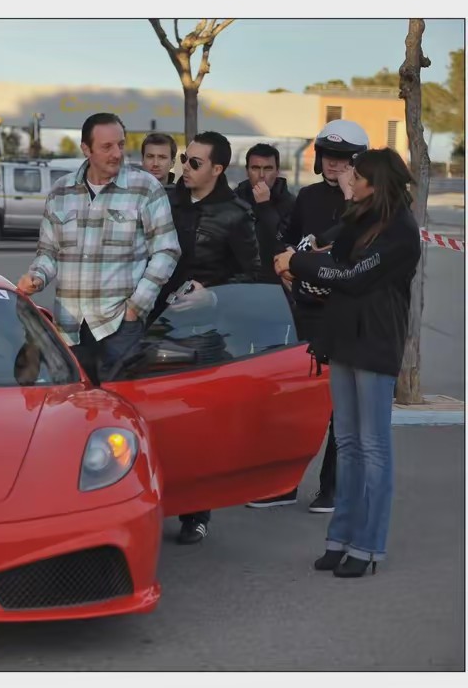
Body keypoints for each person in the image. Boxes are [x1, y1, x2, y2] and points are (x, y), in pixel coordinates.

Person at [274, 148, 421, 577]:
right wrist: (300, 257)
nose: (348, 179)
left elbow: (352, 277)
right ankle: (340, 539)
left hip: (375, 344)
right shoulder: (358, 218)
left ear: (376, 183)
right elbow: (331, 255)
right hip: (342, 339)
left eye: (356, 176)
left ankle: (368, 545)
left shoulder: (401, 231)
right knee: (349, 444)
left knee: (373, 447)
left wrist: (297, 263)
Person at [246, 119, 370, 513]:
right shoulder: (309, 197)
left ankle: (332, 487)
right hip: (305, 312)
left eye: (343, 157)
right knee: (296, 403)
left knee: (340, 408)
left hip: (347, 315)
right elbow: (285, 238)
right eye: (328, 155)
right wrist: (284, 261)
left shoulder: (369, 204)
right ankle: (283, 484)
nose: (334, 163)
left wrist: (349, 200)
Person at [153, 131, 261, 545]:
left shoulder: (235, 214)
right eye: (185, 158)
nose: (185, 167)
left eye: (194, 162)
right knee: (153, 421)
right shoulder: (166, 201)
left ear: (217, 169)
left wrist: (212, 296)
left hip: (204, 335)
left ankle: (196, 513)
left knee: (195, 426)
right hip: (156, 326)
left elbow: (253, 276)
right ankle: (153, 501)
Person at [16, 112, 180, 384]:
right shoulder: (61, 191)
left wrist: (136, 307)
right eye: (107, 147)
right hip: (70, 328)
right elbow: (48, 253)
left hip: (120, 327)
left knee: (119, 403)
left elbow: (167, 250)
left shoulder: (145, 188)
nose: (117, 153)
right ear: (86, 149)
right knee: (72, 402)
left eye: (121, 145)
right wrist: (37, 277)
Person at [235, 143, 296, 281]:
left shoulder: (291, 203)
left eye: (268, 169)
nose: (261, 175)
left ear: (277, 171)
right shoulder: (234, 200)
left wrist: (265, 206)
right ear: (247, 171)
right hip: (239, 280)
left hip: (275, 281)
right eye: (255, 168)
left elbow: (282, 244)